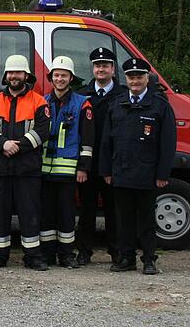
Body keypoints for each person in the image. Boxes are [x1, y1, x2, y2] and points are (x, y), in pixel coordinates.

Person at [101, 58, 176, 275]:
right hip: (121, 172)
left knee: (146, 220)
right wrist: (106, 170)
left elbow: (167, 144)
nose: (135, 81)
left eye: (139, 77)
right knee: (124, 220)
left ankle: (149, 260)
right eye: (131, 77)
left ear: (146, 79)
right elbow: (107, 141)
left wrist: (163, 173)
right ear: (125, 78)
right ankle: (127, 259)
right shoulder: (116, 104)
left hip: (147, 173)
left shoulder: (160, 105)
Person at [0, 55, 50, 270]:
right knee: (0, 214)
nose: (14, 76)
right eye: (11, 73)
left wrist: (17, 146)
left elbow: (42, 131)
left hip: (27, 168)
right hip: (2, 168)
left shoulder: (39, 101)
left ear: (26, 75)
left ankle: (33, 257)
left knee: (30, 214)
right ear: (5, 76)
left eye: (18, 73)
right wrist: (2, 143)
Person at [40, 56, 94, 269]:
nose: (60, 79)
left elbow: (88, 140)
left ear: (71, 78)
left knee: (66, 215)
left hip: (69, 171)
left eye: (64, 75)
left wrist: (83, 167)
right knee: (47, 215)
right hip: (45, 170)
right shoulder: (42, 102)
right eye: (56, 75)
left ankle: (66, 255)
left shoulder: (82, 104)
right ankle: (47, 254)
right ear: (51, 78)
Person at [76, 47, 126, 265]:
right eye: (98, 65)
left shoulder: (123, 95)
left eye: (105, 65)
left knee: (113, 211)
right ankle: (84, 252)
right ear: (93, 69)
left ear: (113, 69)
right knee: (86, 210)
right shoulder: (82, 95)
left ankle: (116, 252)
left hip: (113, 163)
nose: (101, 69)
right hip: (89, 162)